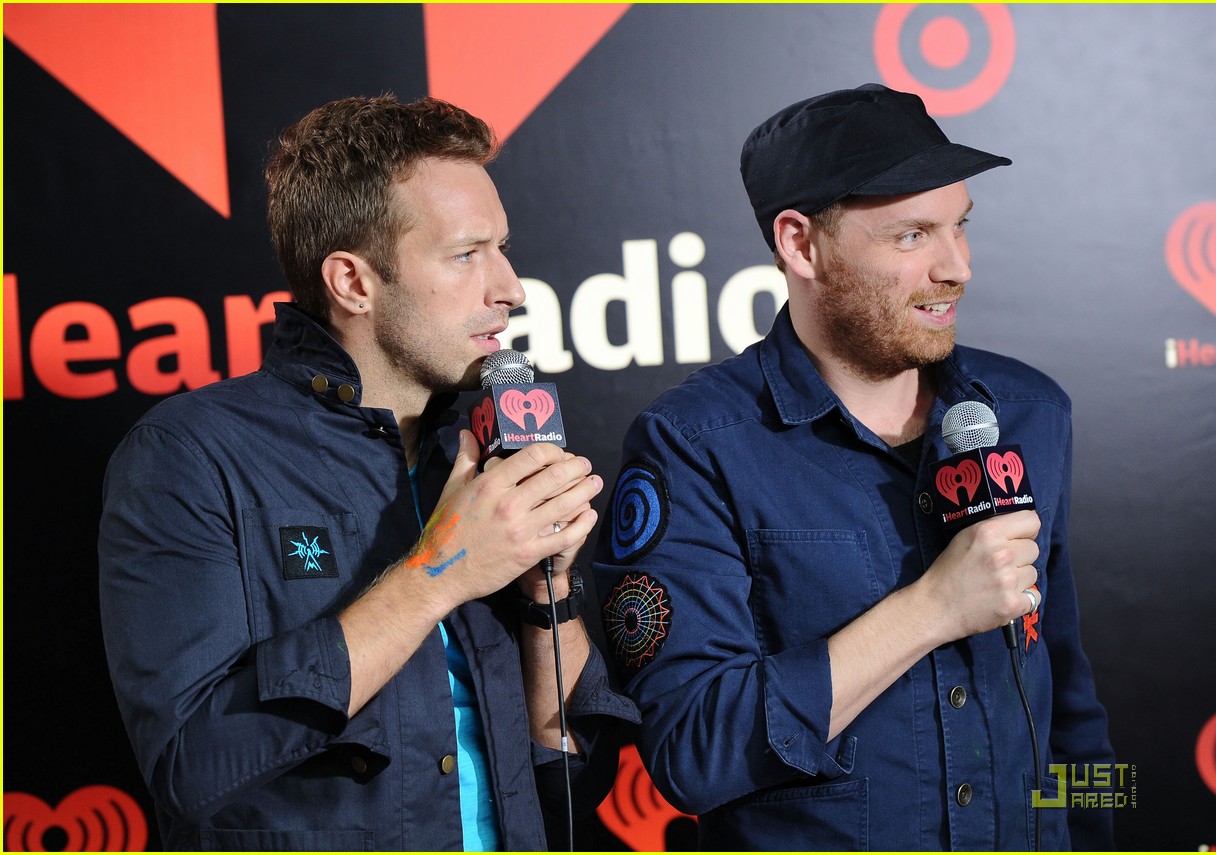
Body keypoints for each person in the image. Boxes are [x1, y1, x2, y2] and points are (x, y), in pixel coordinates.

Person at [99, 94, 637, 851]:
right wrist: (442, 571)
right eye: (466, 253)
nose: (510, 286)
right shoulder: (191, 455)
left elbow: (572, 784)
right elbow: (192, 767)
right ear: (353, 282)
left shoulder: (481, 453)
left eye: (503, 248)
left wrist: (546, 592)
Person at [591, 84, 1115, 850]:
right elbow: (691, 754)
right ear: (801, 245)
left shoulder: (1032, 410)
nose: (957, 267)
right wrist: (932, 608)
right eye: (912, 237)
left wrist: (1105, 831)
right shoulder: (694, 446)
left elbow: (1066, 697)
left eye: (960, 226)